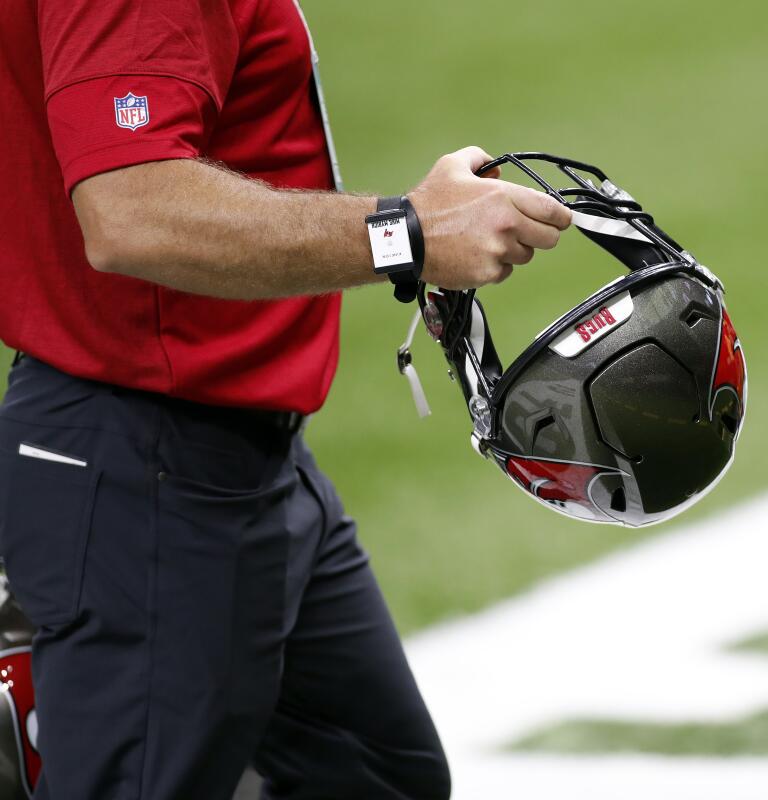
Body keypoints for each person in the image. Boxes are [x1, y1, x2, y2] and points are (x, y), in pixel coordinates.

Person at [0, 0, 571, 797]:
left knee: (375, 776)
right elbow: (130, 210)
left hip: (227, 451)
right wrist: (403, 232)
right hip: (148, 461)